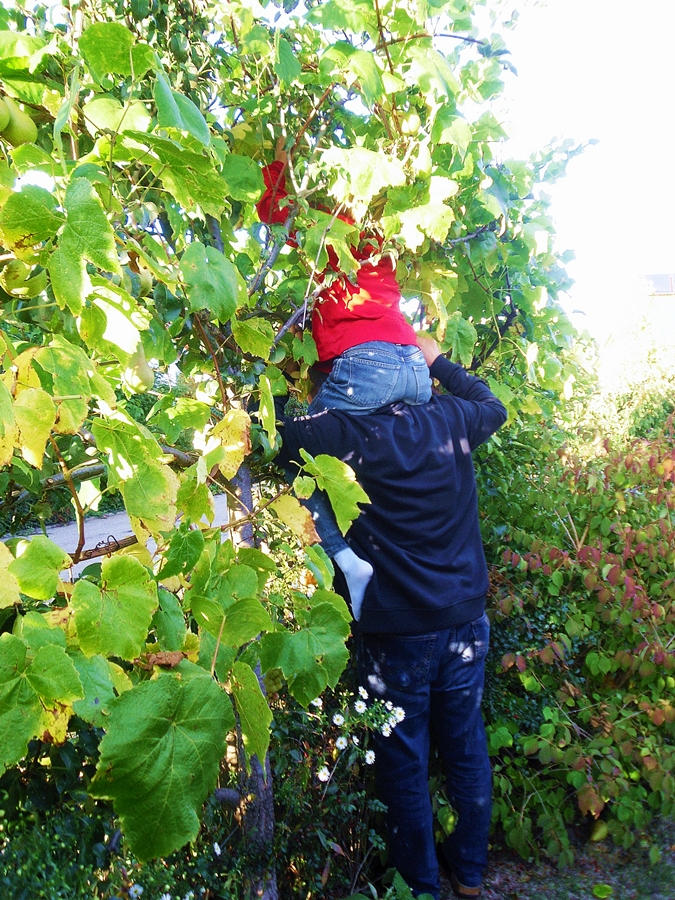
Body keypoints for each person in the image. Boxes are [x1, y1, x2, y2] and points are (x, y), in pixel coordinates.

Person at [274, 334, 508, 900]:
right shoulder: (452, 418)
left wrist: (282, 365)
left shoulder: (346, 435)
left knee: (403, 759)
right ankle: (470, 874)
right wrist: (438, 361)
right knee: (465, 746)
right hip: (465, 620)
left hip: (396, 629)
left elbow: (277, 435)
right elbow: (494, 406)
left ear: (353, 391)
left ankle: (423, 887)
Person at [257, 142, 432, 615]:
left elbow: (275, 210)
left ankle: (348, 562)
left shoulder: (328, 229)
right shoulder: (380, 233)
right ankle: (401, 567)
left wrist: (278, 157)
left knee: (297, 453)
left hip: (368, 367)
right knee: (377, 464)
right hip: (414, 367)